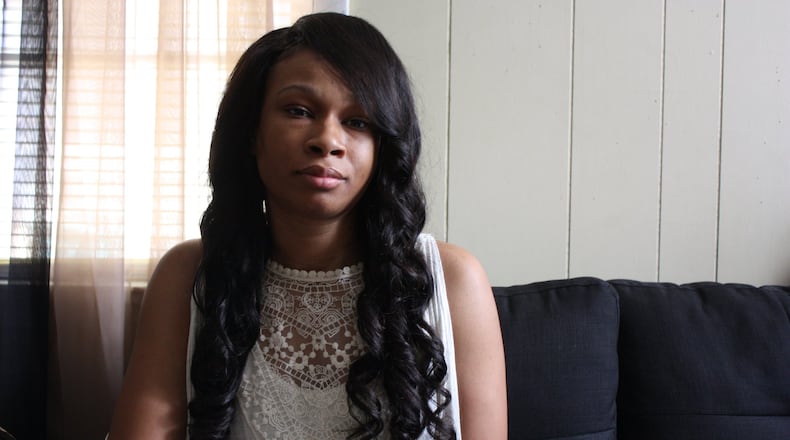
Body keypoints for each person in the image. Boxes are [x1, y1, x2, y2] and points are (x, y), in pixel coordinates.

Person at [109, 12, 506, 440]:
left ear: (383, 146)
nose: (327, 140)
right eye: (299, 110)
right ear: (251, 133)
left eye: (357, 122)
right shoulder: (187, 276)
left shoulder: (453, 279)